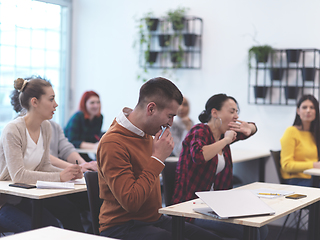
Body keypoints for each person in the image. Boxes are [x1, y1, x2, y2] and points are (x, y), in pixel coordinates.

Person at [97, 78, 228, 240]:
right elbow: (131, 202)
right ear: (151, 109)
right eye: (170, 116)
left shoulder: (146, 132)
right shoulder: (113, 142)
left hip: (154, 219)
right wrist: (158, 158)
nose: (171, 123)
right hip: (122, 226)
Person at [171, 94, 267, 240]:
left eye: (237, 112)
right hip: (191, 209)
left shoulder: (223, 136)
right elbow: (199, 155)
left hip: (217, 206)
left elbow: (249, 131)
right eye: (232, 111)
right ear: (215, 113)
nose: (236, 116)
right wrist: (227, 140)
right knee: (248, 232)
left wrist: (251, 127)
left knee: (262, 228)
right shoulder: (200, 130)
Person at [0, 77, 84, 233]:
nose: (56, 104)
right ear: (35, 102)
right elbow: (18, 175)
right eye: (51, 99)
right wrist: (61, 176)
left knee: (54, 227)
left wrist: (70, 173)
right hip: (3, 203)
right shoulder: (12, 129)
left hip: (23, 199)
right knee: (37, 232)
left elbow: (44, 165)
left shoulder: (45, 127)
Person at [280, 94, 320, 187]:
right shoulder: (291, 132)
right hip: (297, 181)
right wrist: (314, 165)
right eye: (304, 107)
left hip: (314, 179)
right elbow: (286, 165)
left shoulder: (315, 134)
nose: (308, 110)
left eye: (312, 107)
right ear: (298, 111)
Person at [64, 91, 103, 161]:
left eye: (98, 102)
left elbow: (95, 138)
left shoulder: (99, 118)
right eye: (92, 103)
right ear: (84, 104)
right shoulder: (77, 117)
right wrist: (94, 146)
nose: (96, 106)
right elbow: (71, 141)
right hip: (68, 154)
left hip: (83, 153)